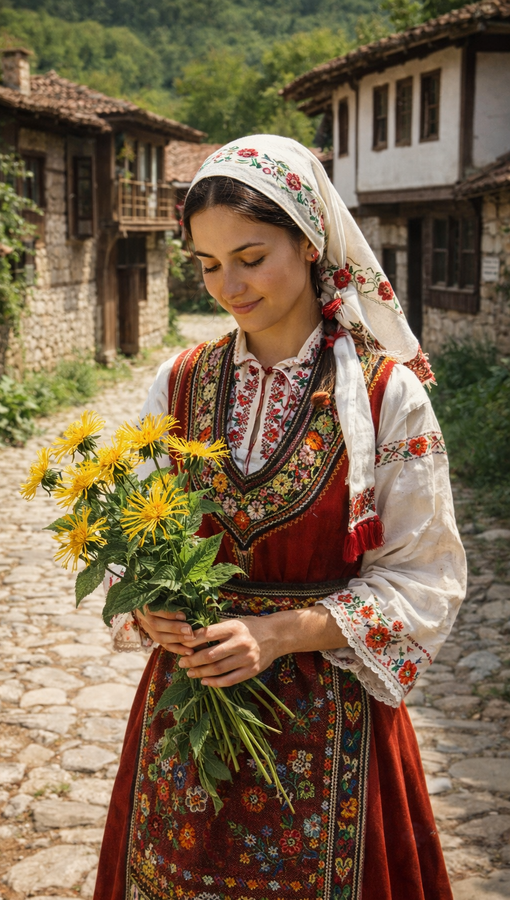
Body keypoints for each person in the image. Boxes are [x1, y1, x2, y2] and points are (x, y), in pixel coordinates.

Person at [93, 135, 466, 900]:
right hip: (187, 722)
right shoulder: (179, 384)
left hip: (334, 734)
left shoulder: (385, 397)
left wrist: (278, 632)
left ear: (307, 239)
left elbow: (427, 580)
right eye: (206, 264)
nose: (228, 284)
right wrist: (151, 603)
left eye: (251, 256)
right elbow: (136, 537)